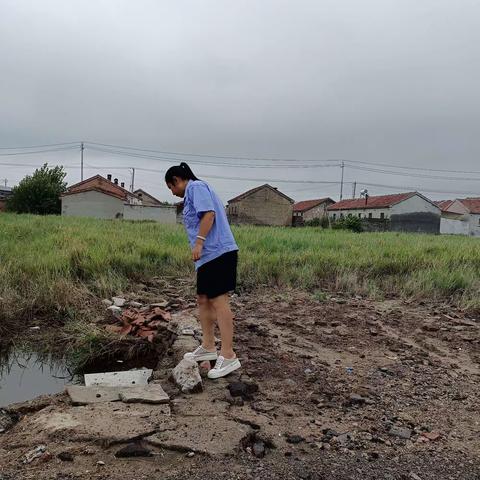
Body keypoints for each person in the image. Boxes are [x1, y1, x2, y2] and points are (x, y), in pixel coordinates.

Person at [165, 163, 241, 379]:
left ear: (177, 180)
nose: (172, 192)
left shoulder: (196, 188)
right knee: (203, 299)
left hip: (219, 253)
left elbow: (209, 214)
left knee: (219, 301)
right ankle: (208, 345)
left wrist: (199, 243)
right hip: (207, 258)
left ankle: (228, 355)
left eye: (171, 187)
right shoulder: (190, 195)